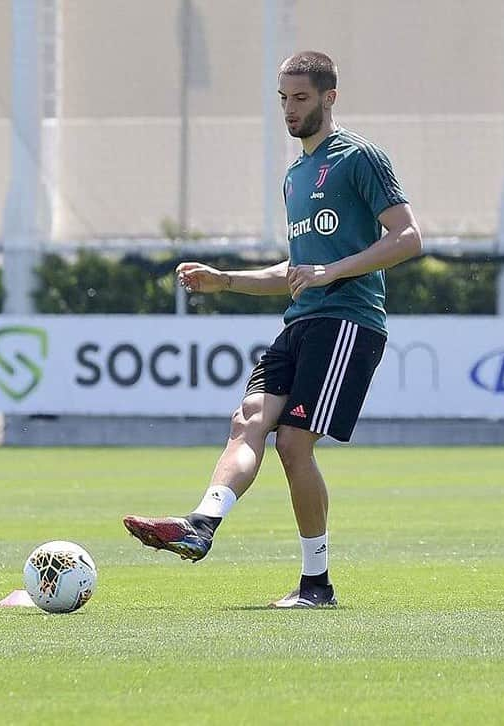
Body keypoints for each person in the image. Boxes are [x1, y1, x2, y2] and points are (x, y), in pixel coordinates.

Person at [123, 50, 422, 608]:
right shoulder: (295, 175)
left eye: (301, 98)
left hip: (347, 320)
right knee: (248, 421)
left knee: (293, 442)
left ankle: (316, 585)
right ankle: (201, 525)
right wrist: (226, 280)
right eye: (283, 98)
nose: (289, 109)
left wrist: (331, 271)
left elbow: (408, 238)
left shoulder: (359, 158)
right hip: (302, 321)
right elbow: (295, 272)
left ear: (330, 97)